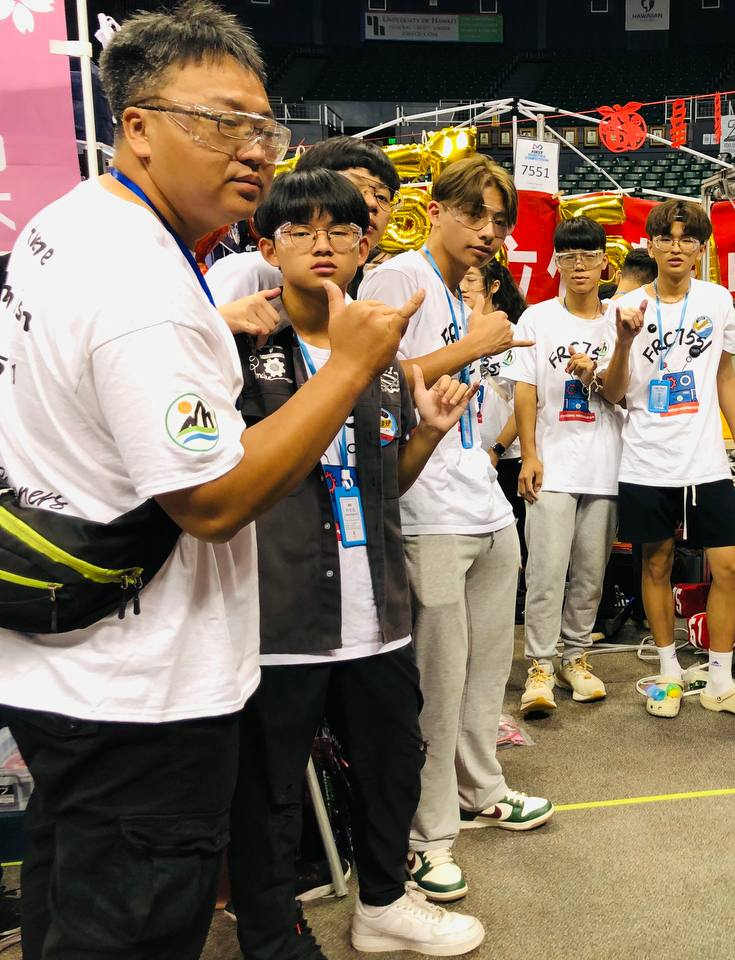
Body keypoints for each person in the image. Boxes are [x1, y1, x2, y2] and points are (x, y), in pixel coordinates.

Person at [0, 4, 418, 957]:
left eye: (262, 126)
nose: (253, 150)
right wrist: (349, 366)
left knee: (70, 902)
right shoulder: (144, 288)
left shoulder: (69, 222)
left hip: (66, 664)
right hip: (140, 691)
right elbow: (214, 502)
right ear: (136, 127)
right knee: (133, 928)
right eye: (219, 121)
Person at [228, 169, 484, 957]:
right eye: (299, 230)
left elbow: (383, 486)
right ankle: (273, 934)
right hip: (282, 611)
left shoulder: (380, 351)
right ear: (265, 246)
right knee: (269, 791)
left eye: (340, 229)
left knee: (392, 767)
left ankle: (383, 903)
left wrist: (428, 436)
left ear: (366, 241)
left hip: (377, 609)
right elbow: (223, 477)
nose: (323, 244)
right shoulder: (238, 345)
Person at [358, 155, 552, 904]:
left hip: (484, 504)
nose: (489, 231)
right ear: (434, 208)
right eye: (474, 214)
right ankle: (426, 834)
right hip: (426, 514)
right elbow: (371, 379)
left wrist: (486, 353)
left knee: (481, 681)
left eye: (500, 220)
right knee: (436, 688)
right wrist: (474, 345)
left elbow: (481, 407)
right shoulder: (396, 278)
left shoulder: (465, 289)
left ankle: (481, 789)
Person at [600, 199, 735, 722]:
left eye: (688, 239)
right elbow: (612, 392)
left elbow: (724, 376)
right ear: (650, 244)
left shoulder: (717, 301)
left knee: (730, 565)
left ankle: (720, 676)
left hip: (705, 461)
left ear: (701, 249)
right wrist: (625, 343)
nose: (676, 248)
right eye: (666, 238)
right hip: (646, 460)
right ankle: (670, 671)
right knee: (656, 564)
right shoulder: (622, 307)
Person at [512, 216, 623, 716]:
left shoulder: (621, 319)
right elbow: (526, 391)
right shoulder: (537, 319)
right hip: (553, 465)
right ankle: (539, 663)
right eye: (568, 255)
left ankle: (575, 656)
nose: (578, 264)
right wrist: (530, 454)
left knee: (590, 573)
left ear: (605, 261)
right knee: (545, 570)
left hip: (605, 465)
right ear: (556, 260)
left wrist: (595, 374)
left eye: (588, 254)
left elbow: (628, 394)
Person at [209, 135, 402, 337]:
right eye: (354, 187)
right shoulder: (249, 272)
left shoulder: (351, 299)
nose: (371, 203)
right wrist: (218, 324)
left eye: (382, 196)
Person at [467, 261, 530, 603]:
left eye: (471, 279)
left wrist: (497, 448)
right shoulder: (457, 334)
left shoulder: (515, 336)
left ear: (492, 286)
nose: (463, 286)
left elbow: (525, 403)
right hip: (468, 453)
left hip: (506, 455)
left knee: (512, 532)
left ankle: (515, 598)